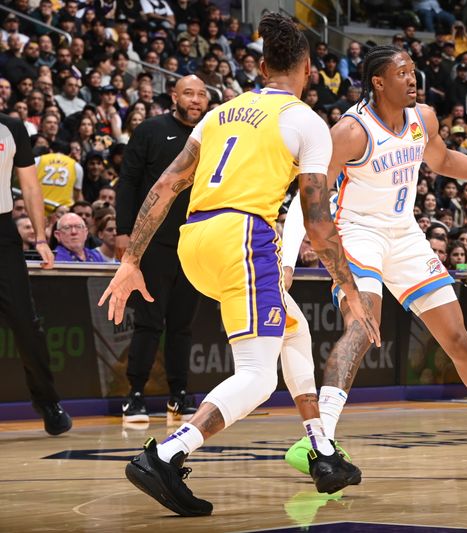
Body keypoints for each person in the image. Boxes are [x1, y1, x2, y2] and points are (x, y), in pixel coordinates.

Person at [99, 13, 378, 516]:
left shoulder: (220, 112)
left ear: (264, 65)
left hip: (194, 240)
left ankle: (323, 452)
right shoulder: (305, 121)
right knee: (257, 375)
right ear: (308, 69)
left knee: (293, 330)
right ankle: (165, 454)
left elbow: (165, 185)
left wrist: (131, 258)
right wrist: (351, 290)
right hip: (245, 238)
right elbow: (317, 223)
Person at [281, 45, 467, 476]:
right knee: (363, 326)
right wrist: (289, 258)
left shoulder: (423, 118)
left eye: (413, 71)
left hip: (405, 234)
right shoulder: (351, 131)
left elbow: (441, 160)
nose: (412, 79)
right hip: (357, 232)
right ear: (378, 82)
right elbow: (305, 198)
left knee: (457, 338)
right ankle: (318, 439)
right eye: (401, 73)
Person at [115, 75, 210, 425]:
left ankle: (178, 395)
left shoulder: (212, 134)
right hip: (154, 243)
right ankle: (135, 395)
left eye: (201, 94)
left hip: (194, 243)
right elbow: (128, 181)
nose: (196, 99)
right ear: (174, 96)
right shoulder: (151, 130)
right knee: (149, 322)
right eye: (189, 93)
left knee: (183, 325)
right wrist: (124, 232)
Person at [0, 113, 72, 435]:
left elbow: (30, 186)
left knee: (26, 324)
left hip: (1, 233)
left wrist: (41, 238)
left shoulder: (12, 128)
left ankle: (47, 402)